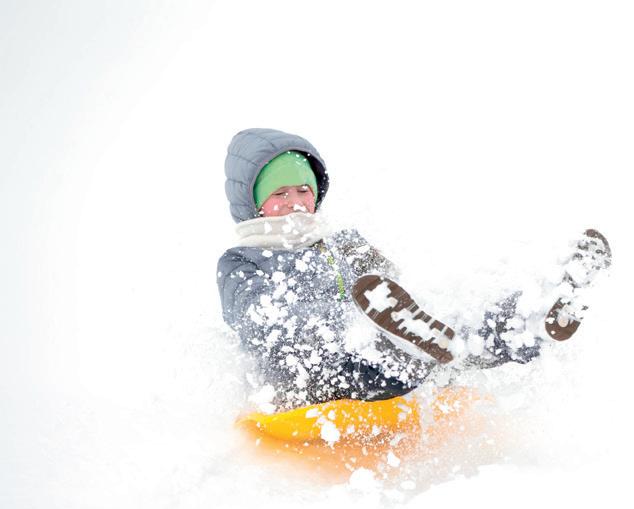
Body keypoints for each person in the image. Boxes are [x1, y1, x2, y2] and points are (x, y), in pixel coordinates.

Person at [217, 128, 609, 412]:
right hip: (307, 378)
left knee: (450, 325)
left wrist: (409, 307)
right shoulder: (242, 261)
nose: (295, 202)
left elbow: (392, 286)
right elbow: (258, 322)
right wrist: (353, 323)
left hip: (385, 355)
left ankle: (536, 315)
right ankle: (418, 348)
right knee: (389, 342)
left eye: (304, 190)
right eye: (280, 193)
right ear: (254, 202)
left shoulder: (341, 241)